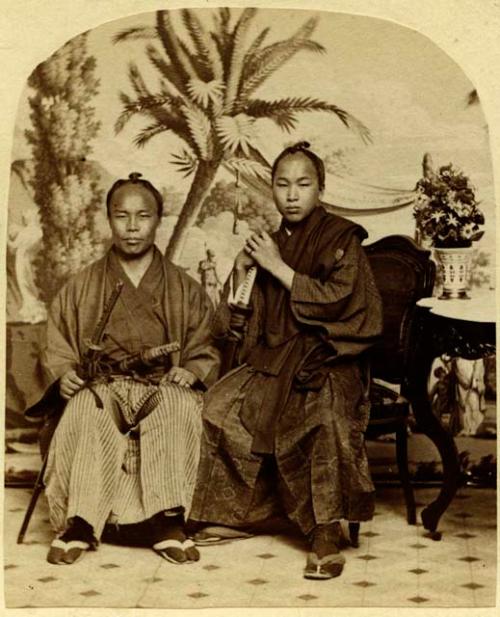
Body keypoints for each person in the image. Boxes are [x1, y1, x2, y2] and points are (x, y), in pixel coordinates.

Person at [189, 142, 383, 580]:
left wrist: (277, 267)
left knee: (323, 416)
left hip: (329, 358)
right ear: (271, 190)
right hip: (274, 359)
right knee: (218, 407)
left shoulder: (342, 238)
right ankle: (252, 515)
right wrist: (241, 273)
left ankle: (325, 532)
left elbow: (343, 304)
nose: (292, 195)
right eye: (282, 184)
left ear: (321, 189)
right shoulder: (268, 244)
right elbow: (232, 327)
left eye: (303, 184)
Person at [28, 172, 220, 565]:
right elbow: (57, 344)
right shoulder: (81, 286)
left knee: (178, 405)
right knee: (85, 407)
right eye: (122, 216)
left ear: (157, 220)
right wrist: (65, 374)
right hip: (104, 385)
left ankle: (167, 518)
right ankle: (81, 521)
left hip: (161, 385)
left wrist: (193, 370)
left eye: (143, 216)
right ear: (109, 220)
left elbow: (204, 345)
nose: (132, 227)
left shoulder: (184, 288)